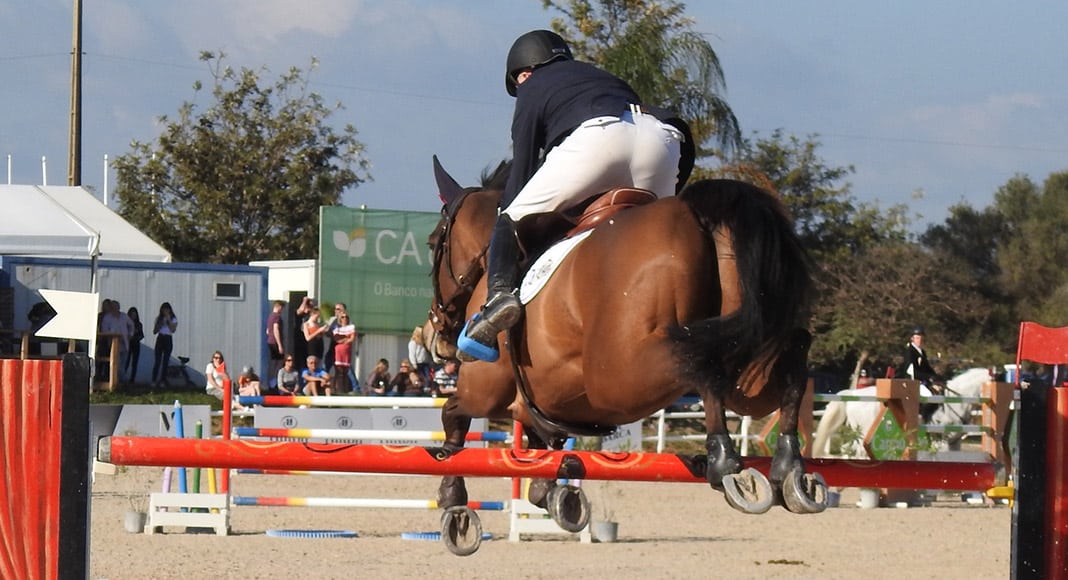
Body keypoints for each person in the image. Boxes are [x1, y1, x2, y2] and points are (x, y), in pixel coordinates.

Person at [460, 29, 688, 360]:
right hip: (663, 140)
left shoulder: (533, 86)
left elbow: (522, 164)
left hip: (601, 140)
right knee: (666, 241)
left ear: (524, 72)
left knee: (510, 217)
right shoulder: (599, 76)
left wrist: (508, 212)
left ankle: (497, 303)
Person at [99, 299, 134, 385]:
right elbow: (104, 330)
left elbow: (131, 324)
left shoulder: (124, 316)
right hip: (113, 343)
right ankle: (118, 381)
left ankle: (123, 380)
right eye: (113, 307)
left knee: (124, 362)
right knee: (116, 363)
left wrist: (130, 334)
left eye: (116, 307)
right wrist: (111, 334)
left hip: (124, 343)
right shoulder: (107, 318)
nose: (115, 308)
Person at [151, 302, 178, 388]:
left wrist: (168, 320)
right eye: (164, 309)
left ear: (170, 310)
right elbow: (154, 331)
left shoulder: (173, 318)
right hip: (160, 338)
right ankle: (154, 380)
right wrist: (160, 324)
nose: (165, 311)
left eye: (167, 309)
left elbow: (173, 330)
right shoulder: (158, 319)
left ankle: (163, 380)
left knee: (165, 361)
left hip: (168, 339)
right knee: (157, 361)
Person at [331, 312, 357, 395]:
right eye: (342, 317)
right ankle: (337, 389)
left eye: (346, 317)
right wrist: (346, 338)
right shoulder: (337, 328)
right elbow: (337, 339)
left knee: (346, 371)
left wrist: (344, 339)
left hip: (347, 352)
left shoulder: (351, 327)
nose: (344, 318)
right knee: (338, 371)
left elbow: (352, 339)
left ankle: (345, 390)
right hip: (338, 351)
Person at [266, 300, 286, 382]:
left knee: (273, 362)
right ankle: (274, 381)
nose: (282, 310)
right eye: (282, 308)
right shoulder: (277, 317)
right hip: (275, 342)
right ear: (279, 307)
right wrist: (280, 345)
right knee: (278, 363)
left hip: (270, 341)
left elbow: (267, 331)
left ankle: (271, 380)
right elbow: (275, 329)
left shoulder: (270, 316)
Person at [124, 306, 145, 384]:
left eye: (134, 315)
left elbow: (142, 335)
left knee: (134, 362)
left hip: (135, 344)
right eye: (132, 315)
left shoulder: (139, 324)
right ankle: (123, 376)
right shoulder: (126, 323)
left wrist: (136, 335)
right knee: (126, 360)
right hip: (128, 344)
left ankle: (132, 379)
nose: (133, 316)